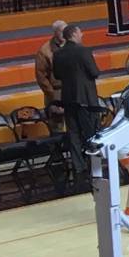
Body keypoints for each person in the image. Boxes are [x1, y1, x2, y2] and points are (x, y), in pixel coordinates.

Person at [50, 30, 101, 187]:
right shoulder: (83, 50)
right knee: (90, 132)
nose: (82, 35)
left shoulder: (58, 54)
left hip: (68, 98)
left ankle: (78, 166)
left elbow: (57, 76)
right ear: (73, 34)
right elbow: (94, 72)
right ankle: (94, 165)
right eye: (80, 32)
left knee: (73, 133)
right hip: (85, 98)